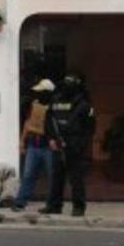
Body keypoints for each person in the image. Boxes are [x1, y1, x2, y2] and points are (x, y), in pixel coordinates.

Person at [42, 73, 96, 217]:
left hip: (74, 147)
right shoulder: (55, 101)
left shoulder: (84, 105)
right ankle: (54, 206)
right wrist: (51, 139)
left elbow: (89, 128)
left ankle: (78, 207)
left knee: (76, 179)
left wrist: (80, 145)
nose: (67, 87)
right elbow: (48, 121)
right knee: (56, 178)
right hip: (57, 145)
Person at [13, 78, 55, 212]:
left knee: (52, 176)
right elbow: (28, 123)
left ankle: (52, 204)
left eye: (41, 92)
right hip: (33, 144)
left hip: (49, 146)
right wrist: (21, 141)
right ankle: (20, 202)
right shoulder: (34, 104)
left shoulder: (55, 107)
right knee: (28, 175)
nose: (38, 95)